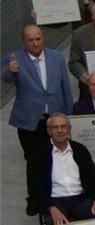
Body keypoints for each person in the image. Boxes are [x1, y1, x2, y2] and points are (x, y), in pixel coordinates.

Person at [3, 25, 75, 171]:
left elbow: (65, 88)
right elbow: (6, 78)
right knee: (33, 161)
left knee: (59, 158)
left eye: (38, 39)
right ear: (24, 42)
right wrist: (10, 70)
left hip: (55, 119)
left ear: (43, 38)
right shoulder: (14, 58)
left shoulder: (57, 57)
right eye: (31, 40)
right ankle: (36, 193)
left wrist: (69, 115)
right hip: (29, 120)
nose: (35, 43)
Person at [27, 113, 95, 225]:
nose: (60, 130)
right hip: (55, 201)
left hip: (80, 199)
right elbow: (35, 188)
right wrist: (50, 208)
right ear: (48, 131)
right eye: (55, 127)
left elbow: (92, 179)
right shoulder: (38, 155)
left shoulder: (80, 150)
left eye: (63, 126)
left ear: (69, 129)